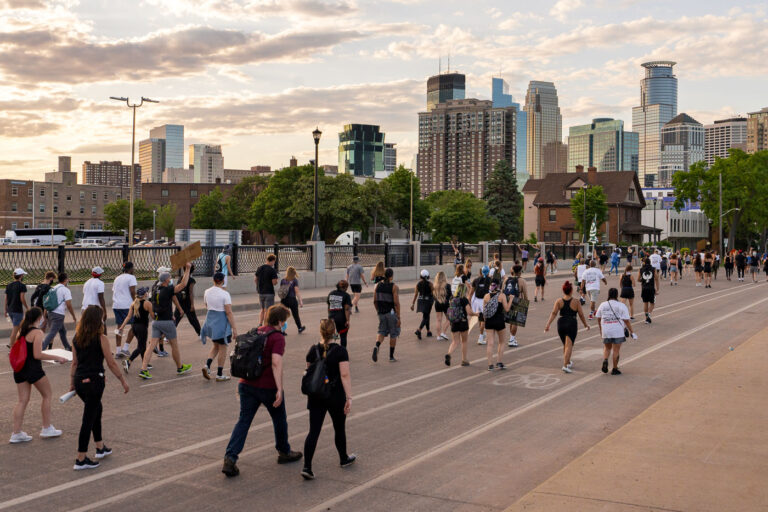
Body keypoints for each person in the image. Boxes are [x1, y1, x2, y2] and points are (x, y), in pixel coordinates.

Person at [222, 305, 302, 477]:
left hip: (246, 384)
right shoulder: (277, 337)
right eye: (284, 322)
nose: (284, 325)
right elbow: (276, 363)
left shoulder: (257, 331)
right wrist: (279, 389)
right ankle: (284, 451)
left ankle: (230, 458)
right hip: (267, 386)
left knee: (243, 421)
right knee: (279, 419)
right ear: (280, 322)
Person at [69, 305, 130, 470]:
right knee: (88, 419)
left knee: (97, 410)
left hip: (81, 381)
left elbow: (74, 362)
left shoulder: (77, 337)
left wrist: (72, 383)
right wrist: (122, 380)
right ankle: (80, 458)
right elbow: (110, 362)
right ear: (98, 320)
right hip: (95, 382)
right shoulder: (101, 338)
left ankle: (100, 446)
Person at [300, 319, 355, 480]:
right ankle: (343, 458)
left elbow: (309, 372)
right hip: (335, 396)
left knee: (313, 431)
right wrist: (349, 397)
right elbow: (344, 375)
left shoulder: (313, 350)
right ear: (334, 332)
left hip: (316, 395)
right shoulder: (340, 351)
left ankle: (307, 466)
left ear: (321, 332)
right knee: (339, 428)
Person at [10, 307, 68, 444]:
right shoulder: (37, 333)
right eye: (42, 316)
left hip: (20, 369)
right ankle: (46, 428)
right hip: (33, 369)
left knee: (22, 400)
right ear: (38, 318)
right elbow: (37, 354)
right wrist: (57, 357)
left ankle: (16, 433)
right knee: (47, 395)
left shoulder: (22, 331)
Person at [138, 264, 193, 379]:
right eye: (169, 278)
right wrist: (187, 269)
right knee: (174, 346)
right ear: (165, 281)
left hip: (156, 322)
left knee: (151, 346)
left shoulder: (155, 288)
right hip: (167, 322)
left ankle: (143, 369)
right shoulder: (167, 289)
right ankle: (180, 367)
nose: (170, 279)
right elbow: (183, 284)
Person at [544, 281, 589, 374]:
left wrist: (548, 324)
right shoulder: (576, 301)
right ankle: (565, 365)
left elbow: (554, 313)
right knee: (569, 345)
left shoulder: (559, 301)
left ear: (563, 290)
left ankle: (568, 362)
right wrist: (585, 324)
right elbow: (581, 314)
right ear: (571, 291)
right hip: (571, 323)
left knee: (565, 344)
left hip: (561, 323)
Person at [200, 273, 238, 381]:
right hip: (221, 324)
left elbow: (207, 306)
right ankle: (219, 374)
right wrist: (234, 328)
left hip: (211, 322)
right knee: (223, 348)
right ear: (222, 281)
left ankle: (207, 366)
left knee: (215, 345)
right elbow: (228, 312)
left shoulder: (207, 291)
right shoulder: (225, 294)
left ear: (213, 280)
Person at [596, 288, 634, 375]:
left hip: (606, 330)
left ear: (608, 294)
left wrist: (601, 329)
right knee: (616, 350)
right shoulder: (621, 305)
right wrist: (632, 332)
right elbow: (626, 320)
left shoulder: (603, 304)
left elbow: (598, 317)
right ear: (617, 295)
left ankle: (605, 360)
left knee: (607, 348)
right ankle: (615, 368)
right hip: (617, 331)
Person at [118, 287, 152, 374]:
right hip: (142, 328)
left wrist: (122, 327)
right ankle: (128, 361)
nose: (147, 293)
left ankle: (145, 363)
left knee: (142, 346)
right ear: (145, 294)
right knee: (141, 347)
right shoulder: (147, 303)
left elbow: (128, 317)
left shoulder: (134, 303)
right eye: (146, 292)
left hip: (135, 327)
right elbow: (153, 316)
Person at [42, 273, 77, 351]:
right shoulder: (65, 290)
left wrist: (45, 314)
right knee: (52, 333)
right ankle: (41, 348)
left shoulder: (53, 288)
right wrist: (73, 316)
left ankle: (67, 347)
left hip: (50, 312)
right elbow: (69, 305)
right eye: (67, 279)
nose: (68, 280)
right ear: (65, 280)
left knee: (62, 331)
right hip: (58, 314)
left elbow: (47, 302)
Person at [372, 268, 400, 363]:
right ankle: (391, 357)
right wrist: (398, 317)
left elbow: (375, 301)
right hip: (391, 313)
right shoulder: (394, 287)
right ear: (391, 276)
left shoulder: (377, 285)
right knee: (393, 333)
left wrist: (378, 311)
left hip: (381, 313)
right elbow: (396, 303)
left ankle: (377, 346)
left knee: (381, 331)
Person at [444, 283, 477, 367]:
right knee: (464, 341)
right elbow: (469, 312)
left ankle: (449, 353)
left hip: (454, 323)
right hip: (463, 322)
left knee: (455, 341)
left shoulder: (452, 298)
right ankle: (464, 360)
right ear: (464, 291)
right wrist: (476, 314)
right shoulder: (464, 299)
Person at [483, 279, 512, 371]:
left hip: (489, 321)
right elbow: (507, 309)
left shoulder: (486, 296)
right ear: (499, 286)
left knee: (490, 343)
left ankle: (490, 365)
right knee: (502, 342)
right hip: (499, 321)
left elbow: (484, 312)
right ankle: (499, 362)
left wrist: (485, 323)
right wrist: (511, 299)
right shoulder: (502, 295)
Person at [112, 262, 137, 358]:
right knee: (134, 326)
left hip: (116, 305)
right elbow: (132, 291)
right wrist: (136, 302)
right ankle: (125, 349)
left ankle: (118, 351)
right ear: (131, 269)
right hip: (127, 305)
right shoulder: (131, 277)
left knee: (119, 327)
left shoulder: (117, 278)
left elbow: (115, 291)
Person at [502, 265, 528, 347]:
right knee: (515, 322)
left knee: (510, 320)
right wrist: (526, 303)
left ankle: (512, 338)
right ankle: (512, 339)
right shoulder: (522, 281)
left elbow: (503, 290)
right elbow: (525, 294)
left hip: (507, 300)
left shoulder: (507, 279)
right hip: (517, 300)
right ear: (520, 272)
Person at [5, 268, 28, 348]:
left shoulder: (9, 285)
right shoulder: (22, 286)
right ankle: (11, 345)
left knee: (19, 329)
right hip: (17, 310)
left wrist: (5, 310)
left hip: (10, 310)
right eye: (23, 275)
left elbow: (6, 299)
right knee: (15, 330)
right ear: (21, 276)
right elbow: (22, 298)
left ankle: (21, 345)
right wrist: (27, 307)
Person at [279, 266, 305, 334]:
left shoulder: (283, 280)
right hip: (292, 300)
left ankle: (281, 330)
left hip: (284, 300)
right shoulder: (294, 280)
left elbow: (281, 291)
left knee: (283, 316)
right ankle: (299, 328)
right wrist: (300, 301)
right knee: (296, 315)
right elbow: (297, 291)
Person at [255, 254, 279, 327]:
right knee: (268, 310)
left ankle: (260, 324)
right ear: (273, 261)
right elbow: (274, 282)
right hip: (269, 293)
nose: (274, 263)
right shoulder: (272, 270)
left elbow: (255, 279)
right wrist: (277, 281)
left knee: (262, 309)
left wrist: (259, 287)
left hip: (261, 292)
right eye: (274, 262)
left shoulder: (259, 268)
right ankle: (265, 326)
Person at [470, 266, 491, 345]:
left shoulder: (476, 280)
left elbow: (471, 293)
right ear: (488, 272)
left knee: (480, 318)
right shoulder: (489, 280)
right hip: (485, 300)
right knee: (484, 320)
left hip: (477, 302)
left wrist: (469, 302)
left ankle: (482, 333)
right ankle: (481, 337)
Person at [327, 280, 352, 348]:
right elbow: (347, 309)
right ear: (345, 287)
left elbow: (329, 306)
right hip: (341, 319)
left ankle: (329, 350)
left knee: (331, 335)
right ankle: (343, 352)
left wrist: (330, 316)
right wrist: (347, 321)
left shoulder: (331, 293)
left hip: (331, 317)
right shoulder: (346, 295)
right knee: (343, 336)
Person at [411, 269, 434, 339]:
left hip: (420, 301)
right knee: (426, 316)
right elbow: (433, 293)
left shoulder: (418, 284)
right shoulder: (430, 284)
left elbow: (416, 294)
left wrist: (413, 304)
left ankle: (428, 331)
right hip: (428, 301)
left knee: (426, 315)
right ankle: (419, 330)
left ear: (420, 276)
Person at [432, 271, 451, 341]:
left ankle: (438, 336)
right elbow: (450, 296)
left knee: (438, 320)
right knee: (449, 318)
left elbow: (434, 296)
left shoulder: (435, 286)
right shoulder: (447, 285)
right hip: (446, 304)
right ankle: (443, 332)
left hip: (437, 303)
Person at [638, 258, 659, 324]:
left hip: (644, 288)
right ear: (650, 262)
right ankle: (649, 315)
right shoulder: (653, 269)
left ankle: (646, 318)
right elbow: (656, 278)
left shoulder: (641, 269)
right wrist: (657, 288)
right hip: (651, 288)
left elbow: (638, 279)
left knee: (645, 303)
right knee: (652, 303)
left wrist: (643, 280)